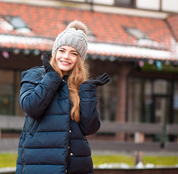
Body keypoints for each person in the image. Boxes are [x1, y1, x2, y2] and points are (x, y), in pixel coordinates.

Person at [15, 20, 110, 174]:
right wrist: (52, 77)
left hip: (75, 165)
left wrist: (88, 91)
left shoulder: (80, 85)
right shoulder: (35, 76)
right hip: (39, 163)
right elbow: (31, 108)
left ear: (79, 59)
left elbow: (89, 128)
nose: (66, 57)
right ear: (55, 51)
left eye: (74, 53)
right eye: (62, 50)